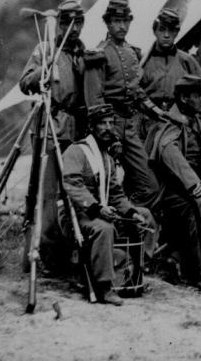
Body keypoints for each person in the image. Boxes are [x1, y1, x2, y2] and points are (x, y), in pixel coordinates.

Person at [18, 0, 88, 272]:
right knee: (46, 195)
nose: (72, 28)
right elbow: (25, 83)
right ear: (59, 23)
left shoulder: (82, 52)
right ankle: (43, 256)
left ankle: (69, 253)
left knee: (72, 191)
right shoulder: (45, 49)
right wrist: (41, 73)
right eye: (67, 22)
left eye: (78, 23)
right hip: (50, 126)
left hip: (77, 130)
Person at [61, 105, 154, 306]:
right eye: (102, 123)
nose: (108, 128)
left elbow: (115, 194)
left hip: (100, 210)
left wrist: (130, 212)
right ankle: (104, 286)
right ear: (92, 126)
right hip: (78, 214)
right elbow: (72, 184)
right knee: (104, 228)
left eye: (111, 123)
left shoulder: (107, 158)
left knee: (145, 215)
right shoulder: (76, 151)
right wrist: (97, 209)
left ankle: (137, 269)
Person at [145, 74, 201, 291]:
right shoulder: (170, 122)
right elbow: (168, 151)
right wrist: (193, 184)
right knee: (200, 206)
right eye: (199, 96)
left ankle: (180, 258)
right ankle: (200, 274)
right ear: (184, 98)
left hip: (188, 188)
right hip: (169, 190)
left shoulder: (196, 121)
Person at [83, 0, 162, 207]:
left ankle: (129, 219)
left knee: (150, 186)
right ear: (108, 23)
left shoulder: (131, 52)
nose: (122, 26)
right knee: (107, 187)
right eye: (117, 21)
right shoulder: (99, 54)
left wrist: (156, 112)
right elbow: (95, 102)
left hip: (130, 126)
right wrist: (109, 137)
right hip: (109, 127)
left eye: (126, 21)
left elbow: (137, 91)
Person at [141, 7, 201, 115]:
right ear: (155, 31)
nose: (166, 35)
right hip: (149, 119)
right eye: (162, 29)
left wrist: (192, 109)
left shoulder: (186, 60)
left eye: (171, 30)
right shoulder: (142, 61)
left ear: (177, 32)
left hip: (180, 119)